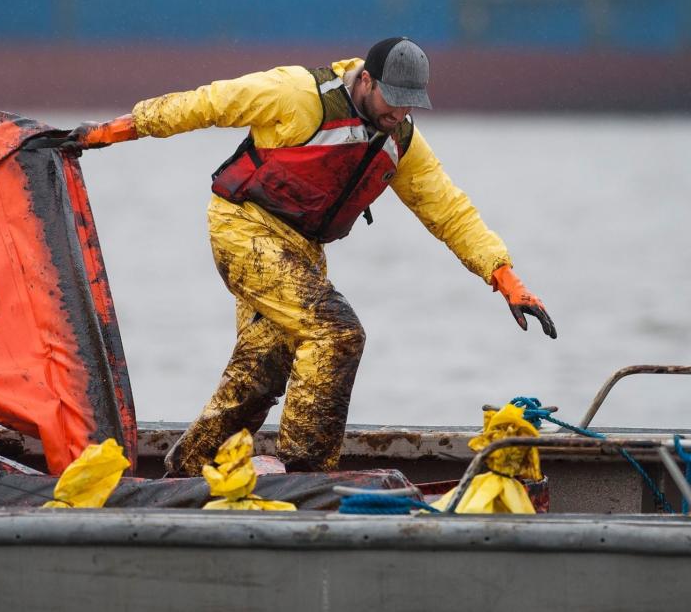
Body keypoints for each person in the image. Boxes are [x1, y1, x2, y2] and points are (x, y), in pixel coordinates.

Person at [62, 37, 557, 477]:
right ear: (366, 79)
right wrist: (112, 132)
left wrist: (505, 278)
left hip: (301, 250)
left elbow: (448, 210)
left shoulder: (399, 140)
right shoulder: (297, 94)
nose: (400, 114)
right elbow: (204, 104)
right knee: (336, 331)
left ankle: (191, 467)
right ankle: (304, 470)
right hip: (244, 227)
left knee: (262, 369)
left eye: (411, 107)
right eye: (394, 101)